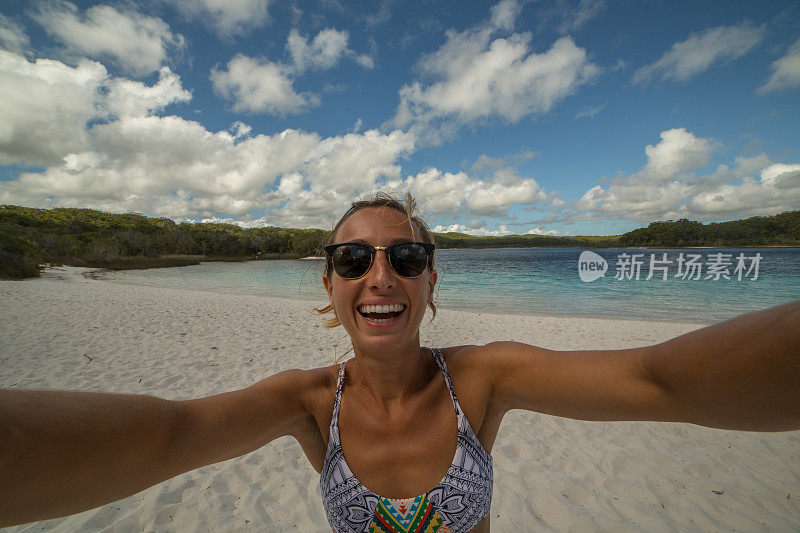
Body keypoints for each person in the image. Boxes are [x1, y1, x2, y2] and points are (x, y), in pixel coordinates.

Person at [1, 192, 799, 532]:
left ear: (429, 278)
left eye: (404, 254)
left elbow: (656, 379)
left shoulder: (484, 379)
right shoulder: (309, 402)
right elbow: (169, 434)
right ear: (330, 284)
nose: (379, 275)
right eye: (353, 258)